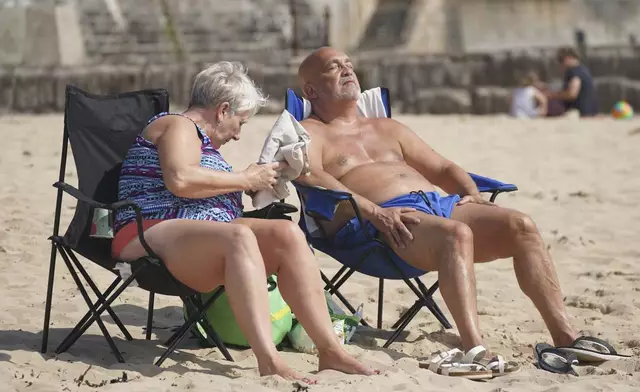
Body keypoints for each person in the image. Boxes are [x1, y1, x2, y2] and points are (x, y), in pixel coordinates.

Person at [294, 47, 625, 377]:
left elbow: (441, 166)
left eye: (349, 64)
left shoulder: (387, 127)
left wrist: (471, 194)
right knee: (456, 234)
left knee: (520, 225)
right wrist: (371, 211)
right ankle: (474, 349)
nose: (347, 70)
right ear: (311, 90)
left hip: (438, 206)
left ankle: (565, 336)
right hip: (383, 223)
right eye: (334, 67)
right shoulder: (312, 131)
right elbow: (310, 175)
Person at [111, 61, 376, 382]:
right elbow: (179, 179)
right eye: (240, 122)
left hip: (197, 238)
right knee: (238, 238)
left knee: (287, 234)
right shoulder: (177, 125)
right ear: (222, 110)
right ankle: (269, 359)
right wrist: (243, 178)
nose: (238, 134)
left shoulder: (203, 144)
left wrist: (254, 185)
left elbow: (202, 185)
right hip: (149, 233)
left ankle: (331, 350)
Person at [547, 47, 598, 117]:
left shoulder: (575, 71)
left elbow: (572, 94)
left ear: (569, 57)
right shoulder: (582, 70)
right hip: (590, 111)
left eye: (561, 60)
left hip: (581, 112)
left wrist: (552, 95)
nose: (560, 64)